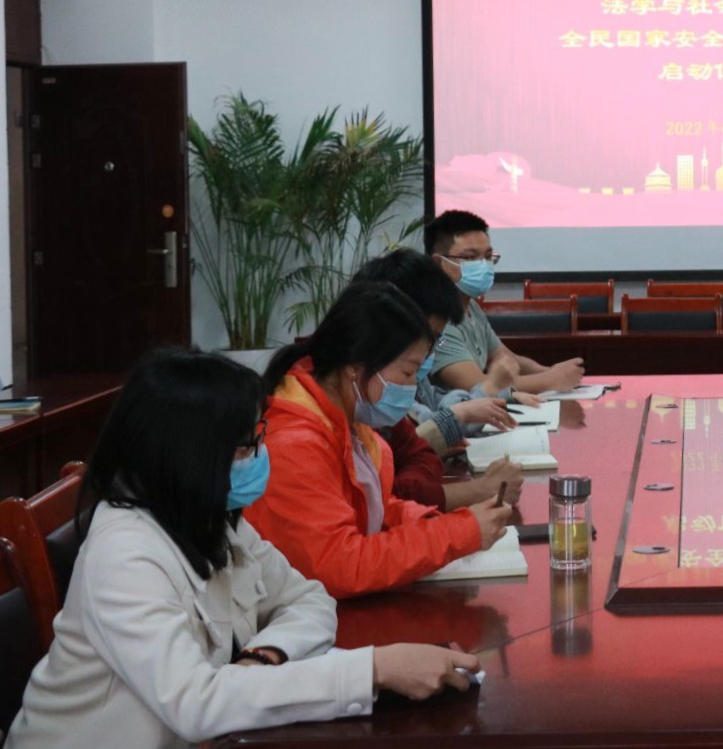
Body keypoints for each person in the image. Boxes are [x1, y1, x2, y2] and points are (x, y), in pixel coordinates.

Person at [7, 349, 483, 749]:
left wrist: (265, 655)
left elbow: (309, 598)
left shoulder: (209, 517)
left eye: (258, 437)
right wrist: (372, 670)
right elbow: (196, 702)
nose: (259, 455)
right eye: (244, 445)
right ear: (188, 454)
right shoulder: (125, 554)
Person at [245, 281, 514, 598]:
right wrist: (456, 533)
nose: (411, 387)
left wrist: (445, 524)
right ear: (355, 370)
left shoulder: (345, 418)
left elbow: (375, 511)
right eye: (408, 373)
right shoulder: (295, 446)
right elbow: (340, 565)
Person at [352, 249, 526, 512]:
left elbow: (419, 457)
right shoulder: (317, 424)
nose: (428, 352)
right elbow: (389, 498)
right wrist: (479, 490)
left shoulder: (387, 385)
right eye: (430, 339)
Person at [425, 210, 585, 394]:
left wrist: (549, 371)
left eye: (487, 257)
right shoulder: (436, 318)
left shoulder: (471, 307)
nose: (483, 265)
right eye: (470, 257)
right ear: (440, 263)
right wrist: (552, 379)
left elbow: (503, 358)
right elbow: (477, 386)